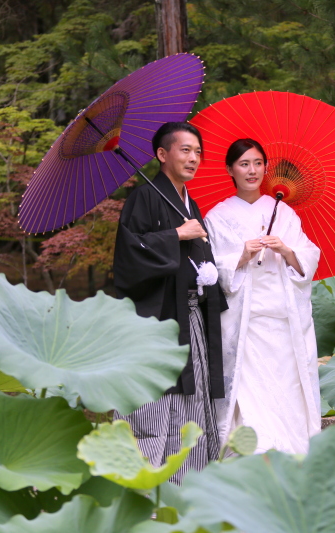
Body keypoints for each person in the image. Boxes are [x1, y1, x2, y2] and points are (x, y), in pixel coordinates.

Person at [112, 122, 227, 483]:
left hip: (190, 317)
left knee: (193, 398)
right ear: (162, 155)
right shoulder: (144, 197)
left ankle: (188, 484)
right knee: (158, 396)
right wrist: (176, 234)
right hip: (157, 324)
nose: (194, 158)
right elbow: (129, 256)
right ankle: (146, 484)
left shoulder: (188, 201)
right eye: (185, 150)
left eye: (197, 151)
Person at [204, 138, 321, 454]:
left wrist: (286, 249)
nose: (252, 170)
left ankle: (292, 453)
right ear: (231, 169)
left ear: (267, 168)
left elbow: (308, 258)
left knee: (288, 386)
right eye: (244, 164)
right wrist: (240, 256)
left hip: (283, 322)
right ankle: (250, 457)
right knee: (246, 390)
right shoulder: (217, 216)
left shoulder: (283, 212)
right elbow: (211, 267)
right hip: (244, 324)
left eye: (257, 163)